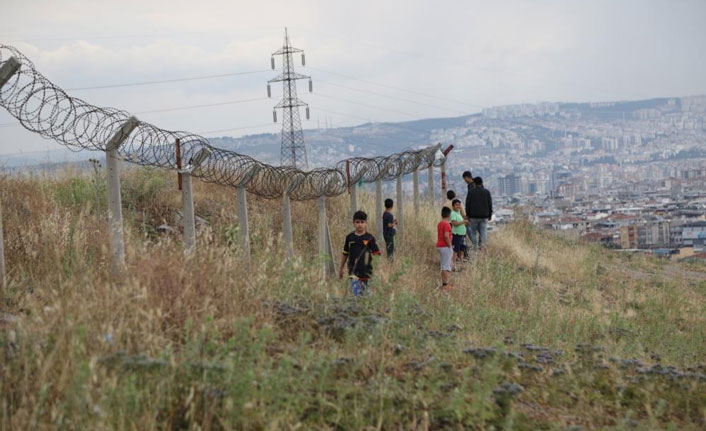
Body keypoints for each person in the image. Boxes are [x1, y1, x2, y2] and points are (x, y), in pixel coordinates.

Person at [339, 210, 381, 296]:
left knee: (367, 298)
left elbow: (376, 254)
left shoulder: (370, 238)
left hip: (367, 273)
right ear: (353, 223)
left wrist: (378, 270)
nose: (360, 224)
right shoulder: (349, 238)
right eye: (357, 222)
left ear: (366, 223)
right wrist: (341, 268)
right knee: (356, 296)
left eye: (362, 222)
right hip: (353, 273)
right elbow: (345, 253)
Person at [466, 176, 492, 250]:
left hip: (473, 216)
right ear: (482, 183)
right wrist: (489, 215)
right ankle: (483, 247)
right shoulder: (486, 192)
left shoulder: (471, 192)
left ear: (475, 183)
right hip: (484, 216)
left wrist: (468, 215)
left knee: (473, 232)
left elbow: (468, 204)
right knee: (483, 232)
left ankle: (475, 246)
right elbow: (489, 204)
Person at [436, 206, 454, 289]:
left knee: (443, 265)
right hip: (445, 246)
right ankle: (446, 284)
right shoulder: (447, 224)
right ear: (449, 215)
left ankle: (444, 284)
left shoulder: (440, 223)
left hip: (439, 245)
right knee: (446, 266)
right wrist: (450, 246)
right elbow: (446, 236)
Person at [450, 199, 468, 267]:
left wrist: (465, 222)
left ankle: (462, 263)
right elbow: (455, 223)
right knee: (456, 250)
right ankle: (454, 264)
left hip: (462, 234)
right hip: (457, 234)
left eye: (459, 205)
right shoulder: (453, 213)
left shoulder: (459, 213)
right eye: (456, 205)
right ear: (453, 206)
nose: (458, 206)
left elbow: (461, 223)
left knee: (462, 249)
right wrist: (463, 221)